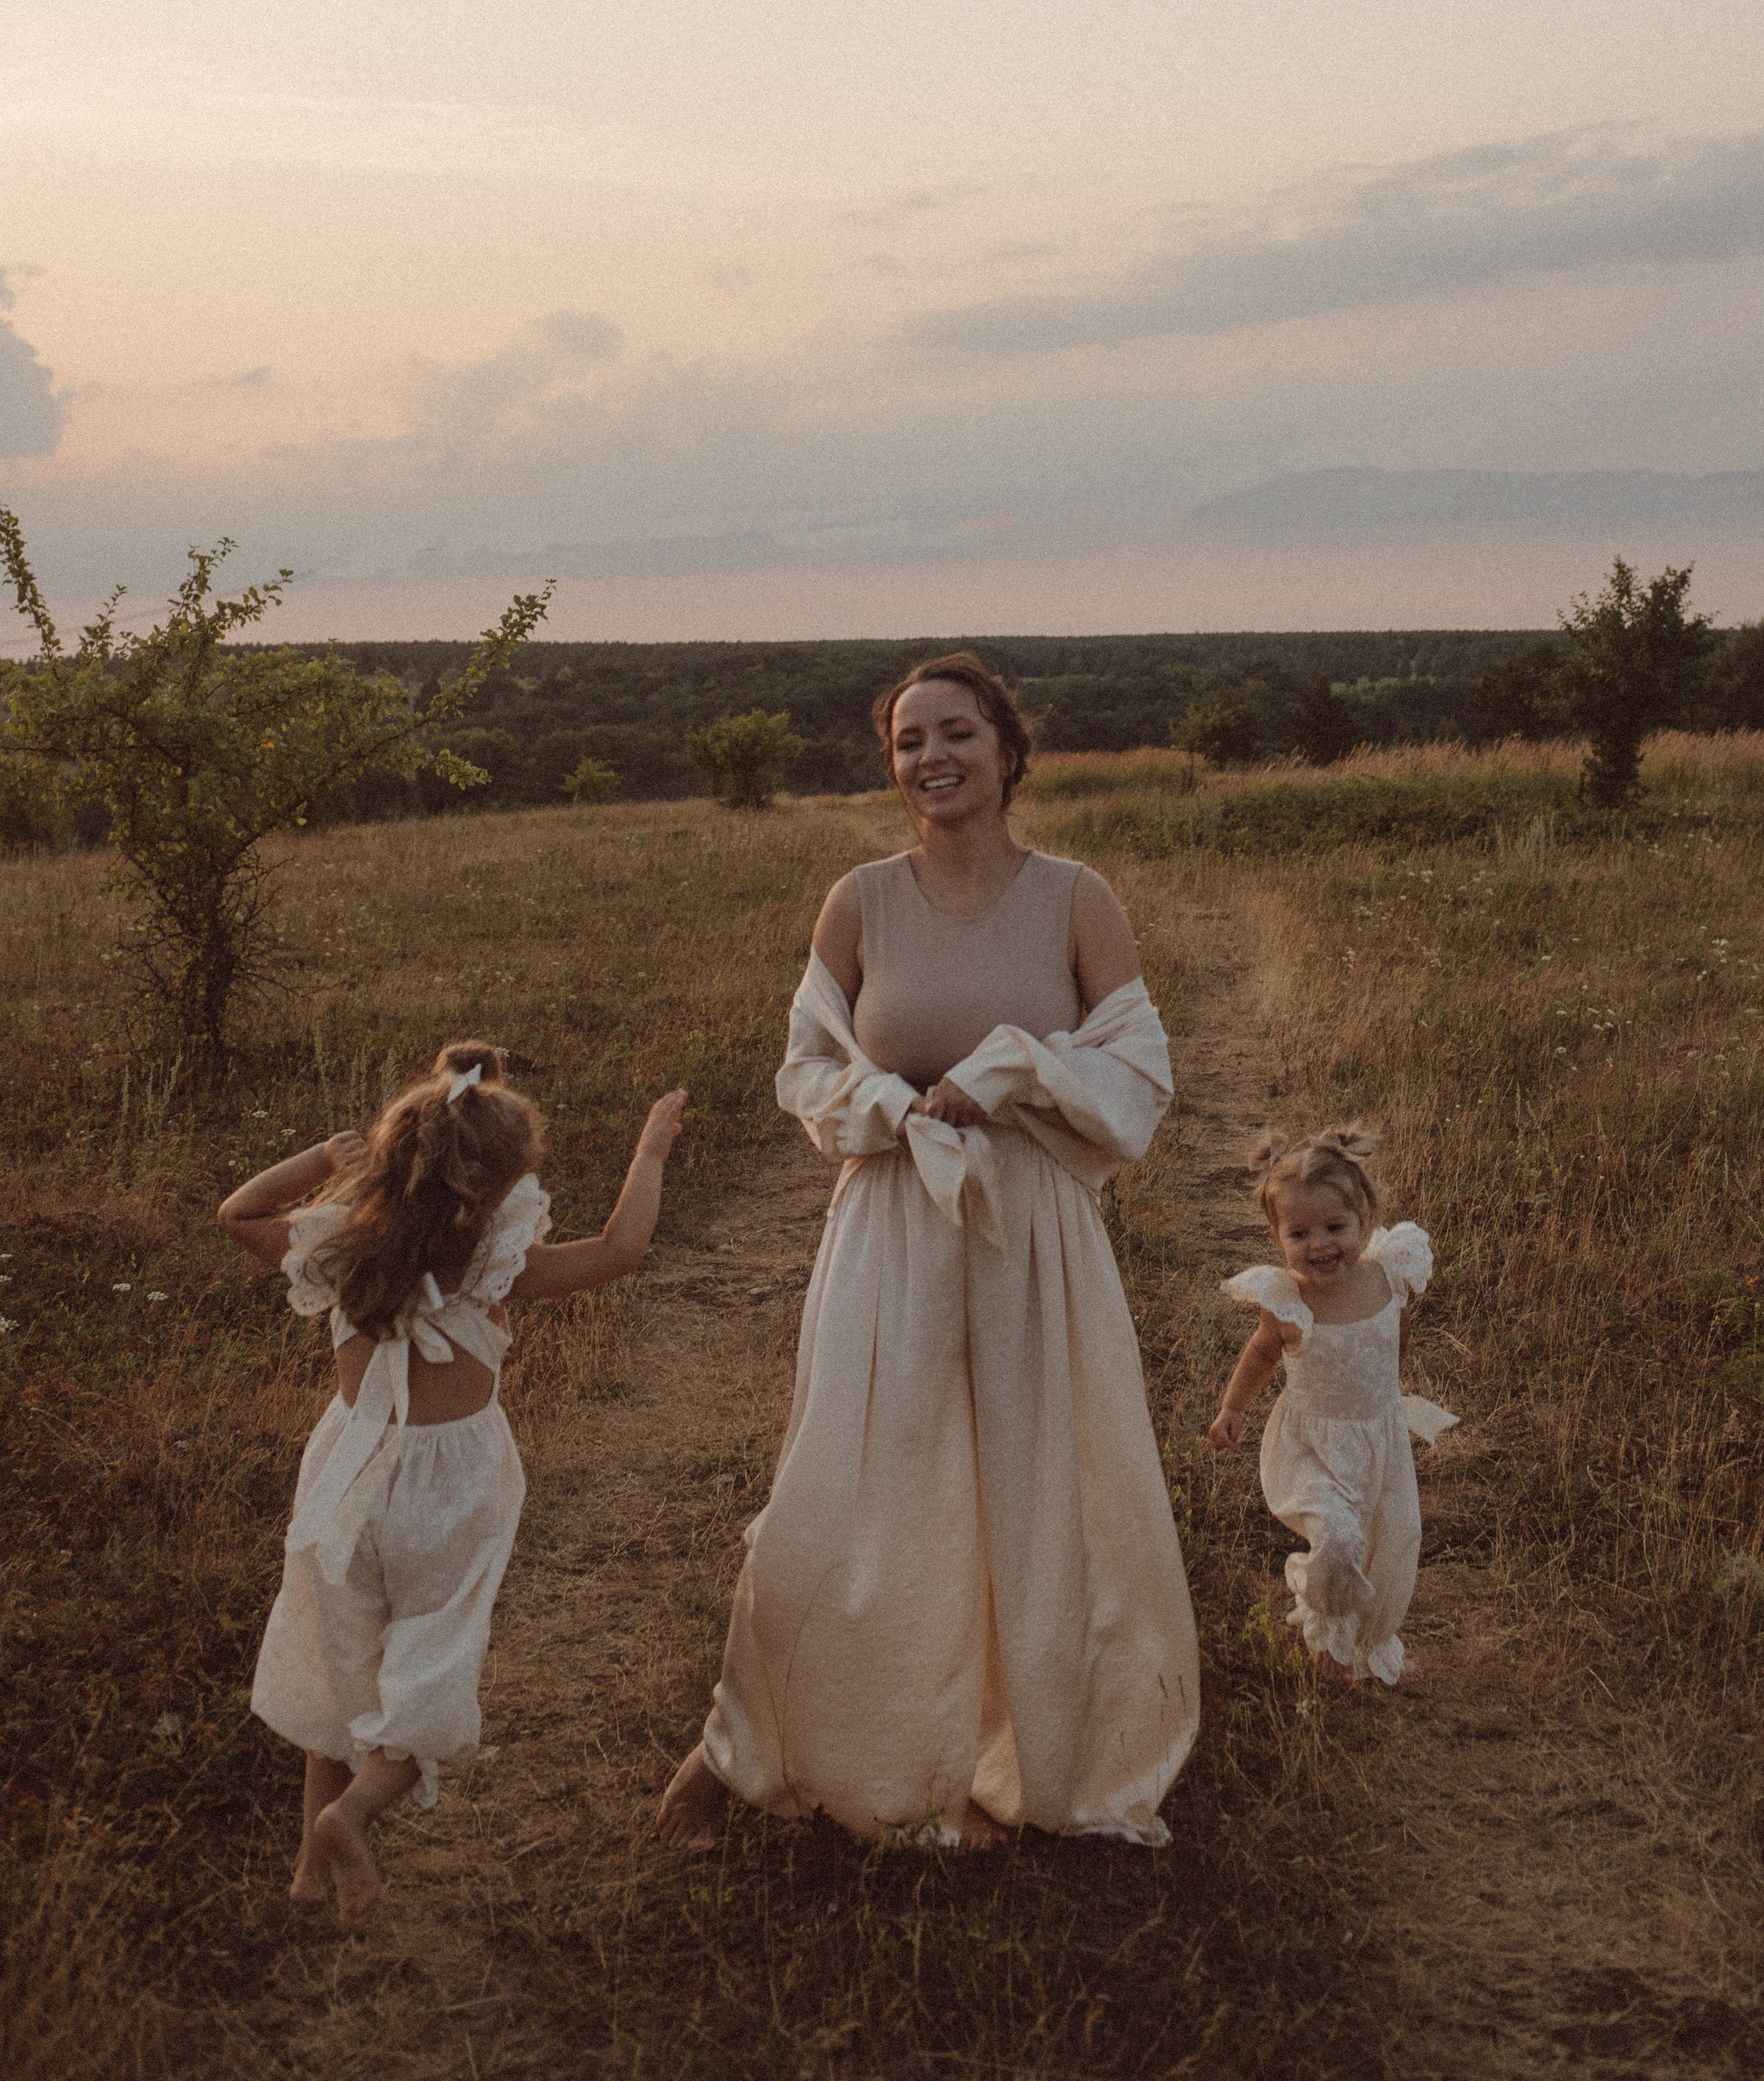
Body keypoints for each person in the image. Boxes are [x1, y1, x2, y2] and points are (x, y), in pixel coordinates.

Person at [656, 653, 1199, 1853]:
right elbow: (807, 1065)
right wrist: (896, 1109)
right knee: (853, 1481)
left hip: (1032, 1234)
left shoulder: (1074, 898)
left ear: (1008, 750)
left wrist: (1010, 1067)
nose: (931, 759)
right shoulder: (860, 899)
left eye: (957, 733)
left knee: (1038, 1484)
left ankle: (1031, 1755)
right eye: (908, 741)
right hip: (894, 1221)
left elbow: (1139, 1074)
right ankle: (765, 1746)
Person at [219, 1040, 687, 1931]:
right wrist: (650, 1150)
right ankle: (350, 1816)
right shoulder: (492, 1267)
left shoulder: (342, 1247)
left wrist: (322, 1160)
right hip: (452, 1488)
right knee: (428, 1666)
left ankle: (307, 1880)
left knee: (335, 1663)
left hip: (346, 1477)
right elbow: (621, 1250)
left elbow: (238, 1212)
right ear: (497, 1190)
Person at [1207, 1127, 1456, 1688]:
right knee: (1339, 1540)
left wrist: (1387, 1391)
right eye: (1299, 1233)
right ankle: (1324, 1627)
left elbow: (1396, 1333)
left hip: (1380, 1440)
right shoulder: (1290, 1303)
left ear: (1364, 1220)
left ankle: (1369, 1649)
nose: (1319, 1245)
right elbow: (1261, 1354)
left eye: (1334, 1228)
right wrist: (1233, 1409)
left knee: (1392, 1543)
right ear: (1276, 1237)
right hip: (1314, 1446)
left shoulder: (1386, 1276)